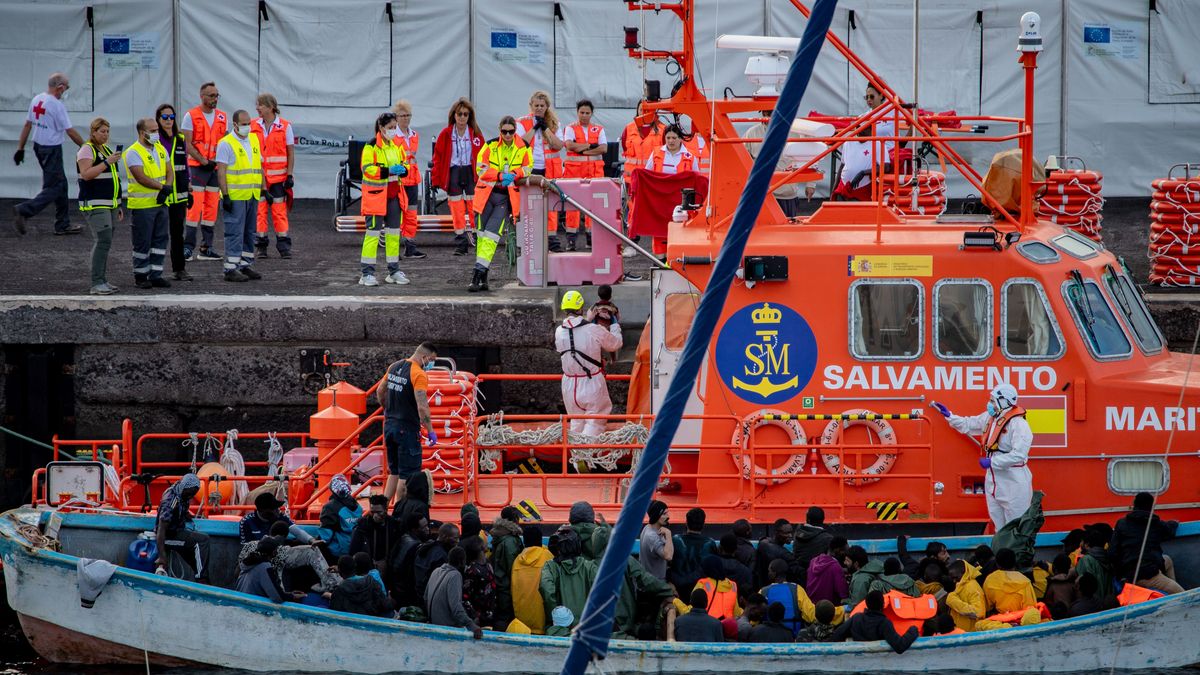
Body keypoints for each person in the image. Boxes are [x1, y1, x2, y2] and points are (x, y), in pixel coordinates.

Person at [933, 383, 1033, 531]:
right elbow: (969, 424)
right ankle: (1001, 551)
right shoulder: (990, 418)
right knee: (998, 524)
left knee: (1016, 526)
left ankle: (1016, 553)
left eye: (993, 400)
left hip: (1013, 481)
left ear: (1004, 401)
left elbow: (1019, 454)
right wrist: (950, 416)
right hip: (993, 480)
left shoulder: (1019, 425)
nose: (990, 404)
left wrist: (993, 462)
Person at [13, 73, 85, 235]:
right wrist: (86, 146)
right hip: (51, 149)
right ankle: (24, 210)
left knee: (60, 184)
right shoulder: (56, 105)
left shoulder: (37, 99)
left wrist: (20, 148)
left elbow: (27, 125)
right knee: (55, 187)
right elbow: (70, 131)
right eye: (67, 88)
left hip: (39, 147)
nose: (66, 91)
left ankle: (62, 224)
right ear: (60, 88)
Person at [469, 115, 532, 292]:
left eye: (511, 131)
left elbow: (528, 167)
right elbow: (481, 168)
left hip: (505, 198)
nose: (507, 135)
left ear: (515, 131)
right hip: (486, 196)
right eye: (504, 131)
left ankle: (477, 273)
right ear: (500, 131)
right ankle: (483, 277)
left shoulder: (524, 148)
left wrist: (515, 173)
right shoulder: (489, 145)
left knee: (491, 236)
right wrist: (499, 176)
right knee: (482, 237)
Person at [556, 290, 623, 437]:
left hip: (569, 385)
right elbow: (615, 344)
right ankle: (584, 455)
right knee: (595, 422)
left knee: (576, 422)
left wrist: (589, 318)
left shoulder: (559, 331)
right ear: (580, 308)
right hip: (591, 382)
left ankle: (575, 457)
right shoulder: (592, 329)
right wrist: (615, 325)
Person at [377, 342, 437, 503]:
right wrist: (430, 430)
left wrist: (387, 409)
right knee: (407, 475)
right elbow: (422, 406)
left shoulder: (394, 367)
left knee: (394, 472)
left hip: (389, 426)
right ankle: (398, 512)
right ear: (424, 357)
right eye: (432, 360)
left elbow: (380, 391)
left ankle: (381, 508)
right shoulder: (418, 374)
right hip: (407, 429)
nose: (431, 364)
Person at [358, 111, 411, 287]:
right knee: (372, 234)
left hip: (394, 196)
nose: (394, 130)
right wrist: (389, 171)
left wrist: (404, 169)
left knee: (393, 235)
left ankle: (394, 271)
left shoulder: (397, 145)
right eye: (390, 128)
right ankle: (367, 274)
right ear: (381, 128)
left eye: (395, 127)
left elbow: (406, 164)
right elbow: (367, 169)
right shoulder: (371, 146)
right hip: (376, 198)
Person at [122, 117, 174, 289]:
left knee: (160, 240)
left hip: (160, 203)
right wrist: (163, 188)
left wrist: (166, 188)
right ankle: (141, 275)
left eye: (156, 130)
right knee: (142, 241)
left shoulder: (160, 149)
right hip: (143, 206)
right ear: (141, 132)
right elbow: (140, 177)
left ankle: (156, 274)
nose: (156, 134)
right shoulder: (133, 152)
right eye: (152, 131)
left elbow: (169, 170)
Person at [215, 109, 265, 282]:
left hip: (252, 194)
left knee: (249, 232)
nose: (247, 127)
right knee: (234, 232)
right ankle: (230, 269)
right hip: (235, 196)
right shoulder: (225, 143)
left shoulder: (253, 139)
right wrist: (226, 195)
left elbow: (258, 165)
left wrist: (263, 188)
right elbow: (221, 172)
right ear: (234, 125)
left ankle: (245, 264)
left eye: (249, 123)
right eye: (244, 124)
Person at [431, 97, 485, 256]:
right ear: (453, 115)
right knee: (456, 208)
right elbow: (438, 158)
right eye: (459, 114)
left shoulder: (475, 133)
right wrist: (435, 179)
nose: (462, 117)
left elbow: (483, 156)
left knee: (474, 206)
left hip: (470, 172)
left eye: (465, 114)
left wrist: (484, 177)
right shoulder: (446, 133)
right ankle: (461, 241)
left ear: (470, 116)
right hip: (453, 172)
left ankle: (477, 237)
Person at [180, 82, 228, 261]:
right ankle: (188, 247)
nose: (215, 99)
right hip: (197, 167)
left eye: (216, 95)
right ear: (202, 96)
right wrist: (203, 160)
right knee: (194, 209)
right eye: (211, 95)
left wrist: (218, 164)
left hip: (214, 169)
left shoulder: (223, 117)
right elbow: (187, 143)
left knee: (211, 209)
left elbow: (224, 143)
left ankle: (206, 248)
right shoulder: (190, 116)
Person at [75, 117, 123, 294]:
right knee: (102, 240)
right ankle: (96, 282)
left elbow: (114, 181)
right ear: (93, 132)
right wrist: (106, 163)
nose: (105, 135)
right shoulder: (87, 150)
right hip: (95, 204)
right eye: (102, 131)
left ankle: (102, 280)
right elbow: (86, 174)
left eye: (107, 131)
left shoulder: (106, 150)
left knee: (106, 241)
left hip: (109, 204)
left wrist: (118, 205)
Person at [1110, 491, 1184, 594]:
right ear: (1151, 507)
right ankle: (1171, 596)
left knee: (1167, 560)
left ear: (1134, 505)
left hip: (1128, 573)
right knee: (1181, 593)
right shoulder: (1154, 523)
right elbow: (1169, 530)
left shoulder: (1121, 523)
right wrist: (1174, 523)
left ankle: (1167, 590)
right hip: (1147, 575)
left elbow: (1113, 552)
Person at [834, 83, 898, 201]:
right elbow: (856, 132)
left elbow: (913, 120)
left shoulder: (892, 112)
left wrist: (903, 144)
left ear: (881, 95)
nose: (869, 100)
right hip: (870, 153)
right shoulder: (864, 117)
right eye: (866, 97)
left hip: (889, 154)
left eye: (872, 96)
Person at [743, 110, 812, 217]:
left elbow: (808, 156)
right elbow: (742, 160)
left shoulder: (795, 132)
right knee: (761, 232)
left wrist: (810, 184)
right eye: (764, 113)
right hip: (761, 194)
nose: (767, 117)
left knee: (787, 230)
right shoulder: (751, 133)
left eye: (770, 113)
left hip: (786, 193)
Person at [559, 99, 608, 250]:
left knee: (593, 206)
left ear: (592, 113)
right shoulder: (570, 128)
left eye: (587, 113)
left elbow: (604, 149)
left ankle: (590, 239)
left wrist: (583, 150)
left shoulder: (599, 129)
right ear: (577, 112)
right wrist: (589, 146)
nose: (584, 115)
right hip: (574, 172)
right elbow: (569, 145)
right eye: (582, 112)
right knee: (572, 206)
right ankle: (571, 240)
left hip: (594, 172)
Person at [250, 93, 294, 259]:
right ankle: (261, 246)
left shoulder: (285, 126)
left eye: (260, 105)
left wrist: (289, 175)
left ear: (270, 107)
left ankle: (284, 247)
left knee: (279, 212)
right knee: (260, 212)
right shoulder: (253, 125)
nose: (257, 108)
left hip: (278, 179)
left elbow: (291, 153)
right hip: (259, 178)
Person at [155, 104, 192, 281]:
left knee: (177, 232)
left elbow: (184, 163)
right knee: (158, 233)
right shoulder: (155, 140)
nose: (169, 121)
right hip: (161, 192)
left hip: (179, 193)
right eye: (165, 117)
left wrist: (189, 187)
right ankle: (154, 270)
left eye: (171, 117)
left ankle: (179, 269)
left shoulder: (180, 138)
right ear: (158, 119)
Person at [153, 473, 209, 582]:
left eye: (194, 493)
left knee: (195, 559)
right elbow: (161, 528)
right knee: (203, 540)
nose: (191, 496)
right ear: (185, 488)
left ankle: (200, 575)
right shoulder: (171, 501)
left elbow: (180, 510)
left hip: (178, 532)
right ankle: (202, 579)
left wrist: (188, 515)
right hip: (168, 538)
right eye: (190, 493)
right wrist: (162, 556)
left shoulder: (181, 493)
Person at [388, 100, 425, 260]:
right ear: (396, 117)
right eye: (402, 115)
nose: (406, 118)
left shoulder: (414, 135)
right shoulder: (392, 136)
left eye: (408, 115)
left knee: (411, 214)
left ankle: (410, 245)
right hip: (400, 180)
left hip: (413, 179)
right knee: (396, 215)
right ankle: (394, 249)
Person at [540, 528, 598, 629]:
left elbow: (547, 590)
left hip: (561, 628)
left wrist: (556, 617)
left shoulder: (550, 566)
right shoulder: (590, 567)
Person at [761, 558, 834, 637]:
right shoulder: (797, 589)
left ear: (774, 573)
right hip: (793, 637)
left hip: (768, 637)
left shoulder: (763, 591)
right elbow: (811, 615)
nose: (768, 573)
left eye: (769, 571)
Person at [830, 590, 918, 654]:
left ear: (866, 604)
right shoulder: (884, 623)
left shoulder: (856, 618)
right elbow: (900, 646)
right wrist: (913, 630)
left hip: (858, 658)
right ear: (883, 605)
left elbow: (837, 635)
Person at [512, 525, 554, 634]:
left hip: (521, 622)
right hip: (543, 620)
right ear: (540, 540)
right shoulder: (547, 556)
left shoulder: (518, 560)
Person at [236, 537, 305, 603]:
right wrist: (292, 597)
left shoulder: (247, 563)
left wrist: (289, 594)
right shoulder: (265, 567)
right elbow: (277, 597)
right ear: (274, 552)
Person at [489, 506, 524, 624]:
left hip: (498, 582)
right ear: (514, 519)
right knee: (505, 617)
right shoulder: (510, 541)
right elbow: (513, 567)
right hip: (506, 586)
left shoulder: (500, 534)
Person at [349, 495, 400, 574]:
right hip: (368, 569)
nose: (375, 516)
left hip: (389, 566)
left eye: (379, 512)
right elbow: (354, 548)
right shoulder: (363, 526)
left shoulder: (393, 524)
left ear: (386, 510)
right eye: (372, 512)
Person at [669, 507, 716, 593]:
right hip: (701, 591)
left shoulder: (675, 540)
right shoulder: (710, 543)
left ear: (686, 522)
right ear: (703, 524)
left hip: (678, 589)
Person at [317, 475, 362, 559]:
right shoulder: (357, 506)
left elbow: (325, 536)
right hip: (354, 547)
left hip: (338, 550)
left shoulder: (330, 507)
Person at [390, 512, 429, 608]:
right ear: (415, 529)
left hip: (397, 588)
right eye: (424, 527)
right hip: (406, 593)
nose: (427, 529)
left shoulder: (403, 538)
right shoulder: (415, 547)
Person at [414, 522, 460, 600]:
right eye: (455, 538)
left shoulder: (428, 547)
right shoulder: (440, 555)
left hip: (420, 592)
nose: (458, 541)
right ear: (445, 537)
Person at [982, 548, 1036, 614]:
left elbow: (986, 607)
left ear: (997, 564)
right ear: (1015, 562)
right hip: (1022, 620)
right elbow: (1030, 608)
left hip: (998, 621)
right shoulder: (1025, 581)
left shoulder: (990, 580)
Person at [460, 535, 497, 629]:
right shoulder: (472, 570)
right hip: (479, 617)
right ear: (479, 548)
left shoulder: (488, 565)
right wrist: (474, 617)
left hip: (490, 613)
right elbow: (465, 597)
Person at [792, 506, 834, 584]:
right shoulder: (828, 538)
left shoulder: (798, 532)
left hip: (798, 575)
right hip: (816, 578)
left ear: (808, 520)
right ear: (823, 520)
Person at [1073, 527, 1115, 600]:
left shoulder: (1086, 560)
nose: (1080, 544)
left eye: (1082, 541)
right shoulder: (1109, 558)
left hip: (1092, 605)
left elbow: (1083, 587)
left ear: (1087, 544)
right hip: (1109, 604)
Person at [754, 519, 797, 589]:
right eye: (786, 533)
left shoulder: (762, 544)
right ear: (777, 533)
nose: (790, 535)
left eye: (791, 532)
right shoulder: (785, 555)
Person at [695, 555, 741, 621]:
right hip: (728, 626)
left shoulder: (703, 583)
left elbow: (691, 611)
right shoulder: (733, 585)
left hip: (708, 624)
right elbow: (736, 613)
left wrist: (675, 600)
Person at [945, 559, 986, 632]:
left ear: (964, 573)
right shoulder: (960, 585)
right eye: (952, 578)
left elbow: (978, 612)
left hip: (970, 633)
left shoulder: (972, 587)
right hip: (961, 631)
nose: (954, 581)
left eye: (956, 577)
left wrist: (953, 601)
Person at [806, 536, 850, 604]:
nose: (846, 554)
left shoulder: (813, 561)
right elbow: (843, 593)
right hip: (827, 607)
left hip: (811, 605)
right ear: (837, 550)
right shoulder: (835, 566)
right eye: (845, 551)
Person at [638, 500, 673, 580]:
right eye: (664, 514)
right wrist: (668, 534)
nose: (668, 516)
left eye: (667, 513)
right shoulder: (652, 536)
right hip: (654, 584)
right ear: (656, 516)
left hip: (649, 580)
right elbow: (668, 556)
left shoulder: (647, 527)